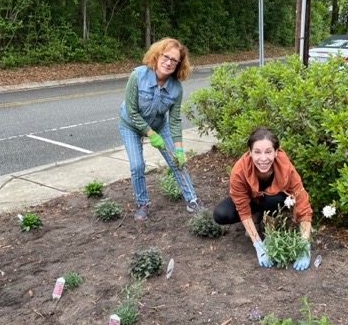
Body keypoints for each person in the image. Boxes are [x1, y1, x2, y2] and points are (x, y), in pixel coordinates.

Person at [118, 38, 204, 221]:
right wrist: (150, 134)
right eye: (166, 57)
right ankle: (143, 204)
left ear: (179, 64)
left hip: (159, 125)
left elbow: (174, 120)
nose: (168, 62)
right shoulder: (138, 76)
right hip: (130, 125)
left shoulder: (176, 89)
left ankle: (193, 200)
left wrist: (179, 149)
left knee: (177, 162)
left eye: (174, 60)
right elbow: (132, 111)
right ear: (157, 56)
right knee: (137, 166)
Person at [213, 127, 313, 270]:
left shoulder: (286, 168)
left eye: (268, 152)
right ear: (250, 152)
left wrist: (304, 245)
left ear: (276, 152)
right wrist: (258, 245)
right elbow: (242, 209)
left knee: (273, 199)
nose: (263, 159)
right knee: (221, 214)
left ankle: (270, 226)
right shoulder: (239, 171)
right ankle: (257, 217)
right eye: (257, 152)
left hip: (275, 201)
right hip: (252, 201)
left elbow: (303, 205)